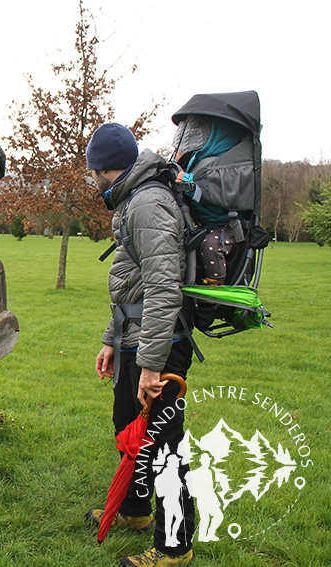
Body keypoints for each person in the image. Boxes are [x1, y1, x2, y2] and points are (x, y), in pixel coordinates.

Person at [84, 123, 196, 567]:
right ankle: (135, 509)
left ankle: (176, 545)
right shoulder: (133, 200)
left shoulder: (148, 203)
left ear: (102, 168)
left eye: (91, 170)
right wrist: (112, 341)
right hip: (137, 339)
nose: (90, 180)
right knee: (129, 425)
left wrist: (151, 365)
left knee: (163, 444)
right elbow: (132, 286)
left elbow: (164, 289)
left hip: (161, 344)